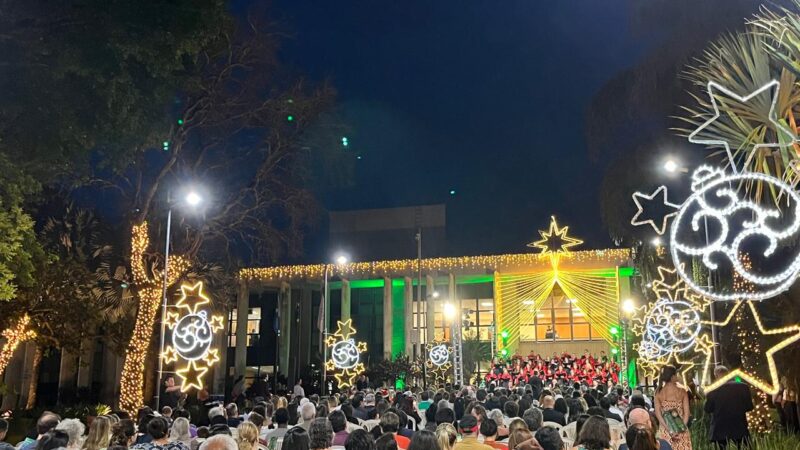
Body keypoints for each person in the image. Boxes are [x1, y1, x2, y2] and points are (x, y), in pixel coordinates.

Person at [703, 366, 753, 449]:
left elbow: (707, 409)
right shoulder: (743, 387)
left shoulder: (712, 389)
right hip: (739, 427)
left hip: (720, 429)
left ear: (716, 375)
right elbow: (749, 407)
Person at [654, 367, 691, 450]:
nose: (677, 377)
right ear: (672, 377)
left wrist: (670, 430)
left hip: (665, 431)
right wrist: (681, 428)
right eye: (676, 375)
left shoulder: (658, 393)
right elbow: (687, 413)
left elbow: (658, 414)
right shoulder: (682, 392)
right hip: (681, 430)